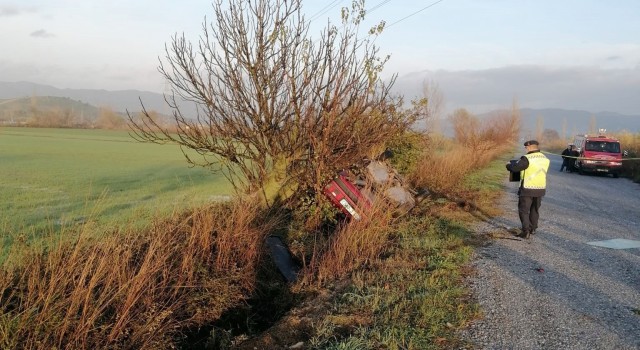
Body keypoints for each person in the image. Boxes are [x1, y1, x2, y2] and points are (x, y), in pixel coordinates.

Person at [506, 140, 550, 239]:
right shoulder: (545, 158)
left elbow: (515, 168)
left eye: (526, 147)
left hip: (528, 188)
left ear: (530, 147)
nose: (525, 149)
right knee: (535, 209)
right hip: (540, 188)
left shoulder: (527, 158)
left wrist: (508, 165)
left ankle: (525, 231)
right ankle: (533, 228)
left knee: (523, 210)